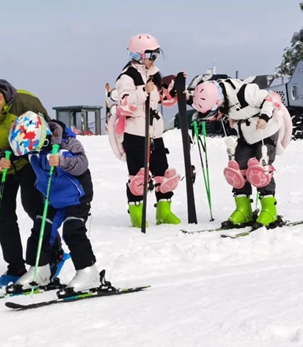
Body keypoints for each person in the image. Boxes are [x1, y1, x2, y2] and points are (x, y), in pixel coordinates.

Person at [0, 74, 65, 288]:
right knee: (3, 216)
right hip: (1, 167)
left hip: (30, 163)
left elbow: (48, 134)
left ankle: (54, 252)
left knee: (35, 207)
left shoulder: (26, 103)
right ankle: (15, 267)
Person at [8, 112, 99, 292]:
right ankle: (39, 271)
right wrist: (4, 157)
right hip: (52, 199)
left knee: (73, 230)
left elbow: (82, 162)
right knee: (41, 229)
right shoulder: (33, 149)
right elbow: (14, 153)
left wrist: (62, 161)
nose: (30, 153)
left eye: (32, 148)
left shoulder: (67, 142)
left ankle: (89, 273)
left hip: (76, 197)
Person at [190, 79, 291, 227]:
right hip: (247, 134)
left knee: (261, 168)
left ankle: (269, 209)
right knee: (237, 169)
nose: (215, 115)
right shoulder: (220, 98)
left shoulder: (244, 92)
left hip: (267, 130)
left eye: (214, 112)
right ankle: (243, 209)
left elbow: (267, 99)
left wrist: (264, 117)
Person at [107, 33, 182, 228]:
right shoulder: (126, 77)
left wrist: (175, 86)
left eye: (156, 54)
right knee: (139, 175)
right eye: (152, 55)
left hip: (155, 132)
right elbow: (123, 102)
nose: (154, 59)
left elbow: (163, 98)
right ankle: (136, 212)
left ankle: (164, 211)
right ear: (139, 55)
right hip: (136, 133)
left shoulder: (155, 74)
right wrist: (143, 92)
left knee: (162, 172)